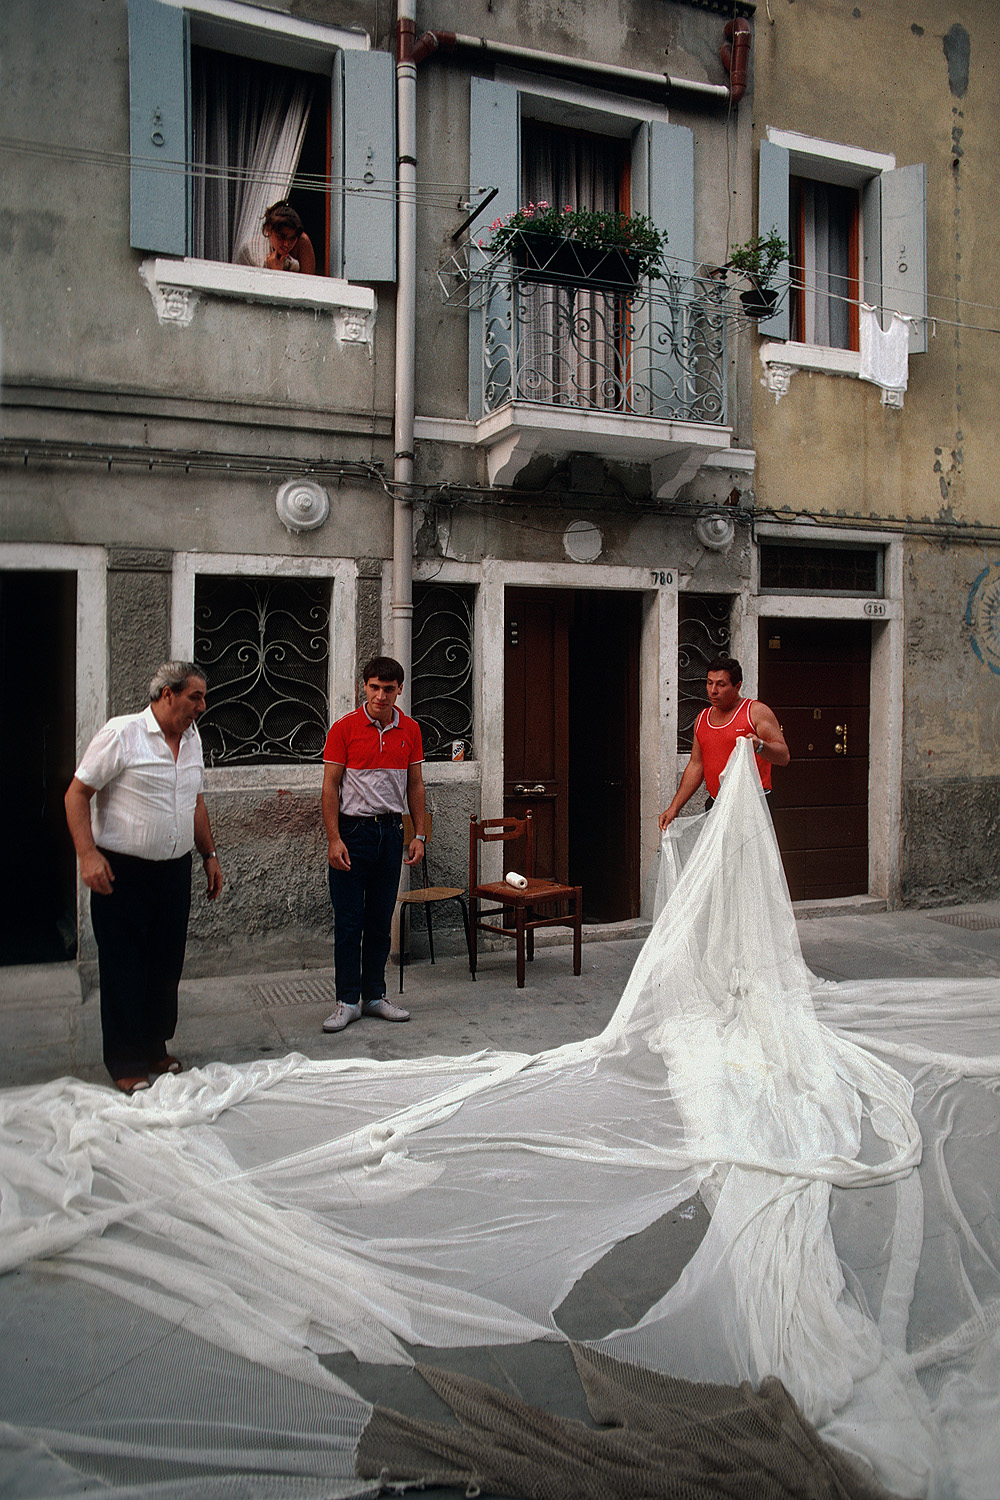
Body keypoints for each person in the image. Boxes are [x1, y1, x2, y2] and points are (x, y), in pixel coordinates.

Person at [64, 662, 223, 1093]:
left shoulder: (192, 740)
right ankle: (125, 1059)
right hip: (123, 872)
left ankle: (155, 1046)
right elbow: (76, 794)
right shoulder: (122, 734)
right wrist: (87, 854)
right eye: (195, 697)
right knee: (124, 966)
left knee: (164, 965)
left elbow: (195, 801)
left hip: (173, 871)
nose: (202, 707)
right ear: (167, 694)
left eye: (203, 697)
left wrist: (209, 855)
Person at [321, 656, 426, 1033]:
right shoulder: (344, 729)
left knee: (381, 920)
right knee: (350, 921)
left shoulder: (410, 730)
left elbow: (415, 786)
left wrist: (419, 835)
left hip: (390, 833)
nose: (381, 695)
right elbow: (330, 787)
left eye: (389, 688)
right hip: (353, 833)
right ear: (363, 687)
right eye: (374, 687)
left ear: (400, 690)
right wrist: (334, 839)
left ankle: (376, 996)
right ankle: (347, 1001)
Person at [659, 655, 790, 830]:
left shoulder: (756, 712)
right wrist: (674, 808)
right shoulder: (702, 718)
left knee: (751, 859)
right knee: (717, 858)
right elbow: (696, 766)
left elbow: (784, 756)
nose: (713, 690)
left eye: (721, 684)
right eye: (709, 683)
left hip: (753, 807)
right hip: (717, 804)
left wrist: (760, 746)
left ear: (737, 686)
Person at [261, 200, 317, 275]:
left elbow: (308, 282)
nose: (286, 244)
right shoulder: (255, 251)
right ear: (268, 230)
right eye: (281, 237)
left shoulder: (302, 242)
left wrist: (277, 271)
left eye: (292, 238)